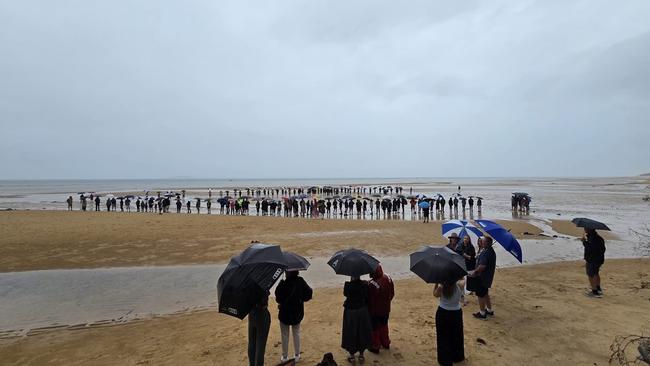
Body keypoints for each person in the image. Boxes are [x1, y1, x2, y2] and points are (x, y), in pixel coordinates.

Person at [275, 271, 313, 362]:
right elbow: (309, 292)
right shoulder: (300, 281)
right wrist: (301, 299)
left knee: (285, 335)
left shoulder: (283, 284)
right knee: (296, 333)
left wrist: (280, 284)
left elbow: (278, 298)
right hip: (297, 313)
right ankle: (297, 355)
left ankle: (285, 357)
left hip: (285, 313)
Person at [341, 276, 372, 364]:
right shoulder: (365, 284)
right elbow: (367, 296)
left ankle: (352, 356)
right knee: (362, 331)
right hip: (362, 310)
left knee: (351, 332)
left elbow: (345, 294)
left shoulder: (348, 285)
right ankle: (361, 355)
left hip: (351, 311)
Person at [433, 281, 465, 366]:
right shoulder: (460, 284)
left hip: (443, 311)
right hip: (456, 312)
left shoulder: (441, 286)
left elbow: (435, 294)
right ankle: (457, 356)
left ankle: (445, 359)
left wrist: (436, 284)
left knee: (443, 337)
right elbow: (462, 283)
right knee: (457, 335)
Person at [367, 265, 394, 354]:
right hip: (386, 308)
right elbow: (392, 294)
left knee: (375, 328)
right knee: (384, 325)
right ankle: (386, 343)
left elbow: (370, 300)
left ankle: (376, 346)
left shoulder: (372, 284)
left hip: (375, 310)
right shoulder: (388, 277)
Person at [471, 236, 496, 320]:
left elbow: (482, 266)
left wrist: (474, 272)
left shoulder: (486, 252)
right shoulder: (491, 251)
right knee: (485, 294)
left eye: (483, 241)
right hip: (487, 278)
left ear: (487, 243)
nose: (481, 242)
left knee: (480, 295)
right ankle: (489, 310)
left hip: (482, 278)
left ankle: (482, 313)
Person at [248, 291, 271, 366]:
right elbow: (264, 296)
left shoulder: (247, 284)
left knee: (252, 343)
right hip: (261, 314)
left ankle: (252, 364)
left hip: (252, 313)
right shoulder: (261, 283)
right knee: (260, 345)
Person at [582, 228, 606, 297]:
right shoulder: (599, 238)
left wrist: (584, 242)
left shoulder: (592, 239)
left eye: (585, 228)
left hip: (592, 260)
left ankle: (594, 291)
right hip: (599, 259)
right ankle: (598, 288)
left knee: (590, 275)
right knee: (596, 273)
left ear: (589, 230)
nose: (584, 229)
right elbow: (603, 249)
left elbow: (590, 248)